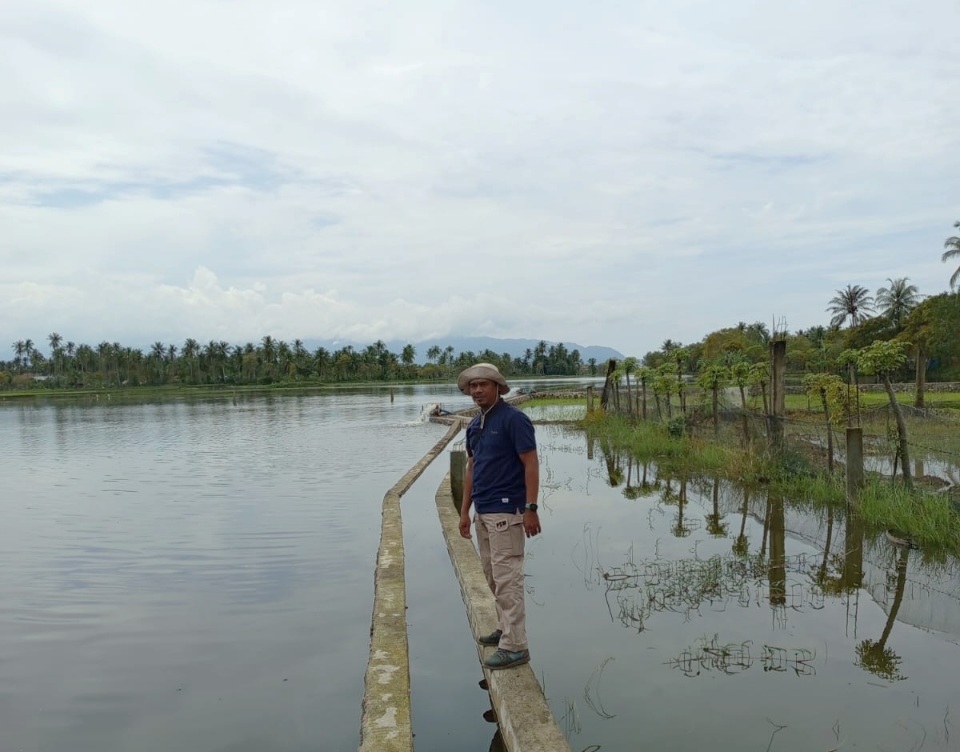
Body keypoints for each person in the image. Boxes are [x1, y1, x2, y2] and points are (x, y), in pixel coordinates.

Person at [457, 363, 541, 670]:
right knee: (493, 576)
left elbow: (530, 463)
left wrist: (531, 508)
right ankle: (506, 629)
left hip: (508, 510)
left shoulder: (514, 420)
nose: (477, 390)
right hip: (484, 510)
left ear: (498, 388)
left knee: (508, 579)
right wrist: (465, 511)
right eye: (473, 386)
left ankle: (515, 645)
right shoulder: (474, 425)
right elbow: (471, 468)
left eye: (484, 385)